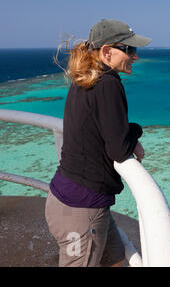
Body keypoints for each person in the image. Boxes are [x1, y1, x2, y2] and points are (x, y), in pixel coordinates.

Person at [45, 19, 150, 267]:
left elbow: (102, 130)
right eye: (130, 50)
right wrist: (136, 131)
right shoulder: (108, 84)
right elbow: (119, 149)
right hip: (81, 210)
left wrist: (128, 132)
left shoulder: (85, 79)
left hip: (70, 199)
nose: (134, 57)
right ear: (106, 51)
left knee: (115, 259)